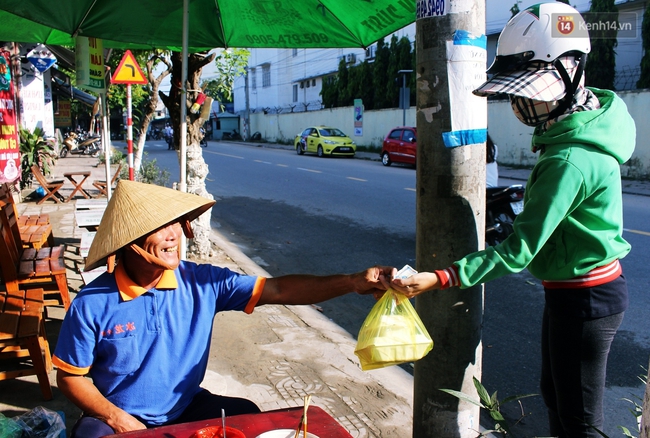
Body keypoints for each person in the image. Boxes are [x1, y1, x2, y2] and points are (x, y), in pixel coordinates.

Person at [390, 3, 635, 437]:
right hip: (579, 291)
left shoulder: (569, 160)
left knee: (579, 420)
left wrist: (441, 277)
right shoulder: (586, 128)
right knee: (558, 397)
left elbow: (518, 251)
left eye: (528, 93)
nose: (521, 105)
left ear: (572, 76)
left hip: (585, 299)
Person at [52, 180, 392, 438]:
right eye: (158, 228)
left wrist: (352, 281)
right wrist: (118, 419)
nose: (173, 236)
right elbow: (69, 378)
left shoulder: (202, 282)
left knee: (249, 416)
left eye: (176, 224)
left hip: (185, 407)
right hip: (116, 417)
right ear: (130, 242)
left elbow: (277, 288)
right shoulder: (92, 303)